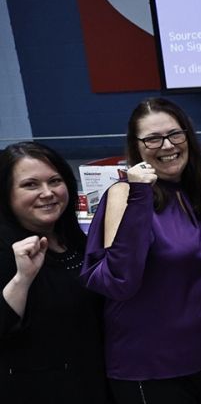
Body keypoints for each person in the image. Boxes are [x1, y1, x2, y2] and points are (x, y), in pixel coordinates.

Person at [81, 98, 201, 403]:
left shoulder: (197, 195)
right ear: (136, 146)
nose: (167, 145)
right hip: (151, 368)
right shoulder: (124, 194)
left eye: (175, 134)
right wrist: (139, 194)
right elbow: (119, 281)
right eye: (152, 138)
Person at [0, 142, 111, 403]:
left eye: (55, 181)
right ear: (6, 193)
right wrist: (22, 279)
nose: (48, 193)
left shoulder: (79, 242)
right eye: (30, 185)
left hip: (93, 383)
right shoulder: (6, 251)